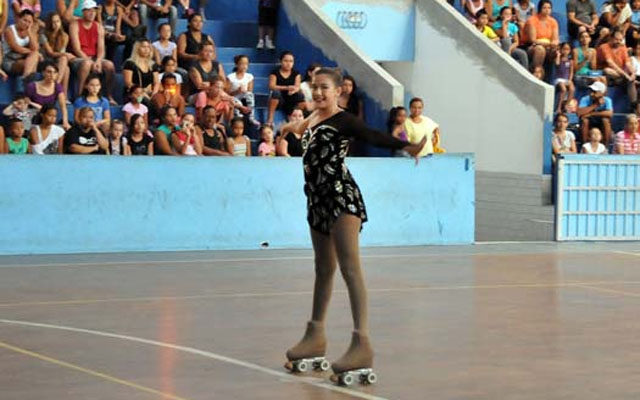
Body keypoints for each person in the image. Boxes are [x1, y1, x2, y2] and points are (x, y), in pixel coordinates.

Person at [279, 68, 426, 382]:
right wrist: (288, 128)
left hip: (341, 199)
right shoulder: (313, 118)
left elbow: (372, 136)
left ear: (338, 92)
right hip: (316, 201)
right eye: (314, 87)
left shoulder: (344, 120)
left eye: (325, 89)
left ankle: (362, 343)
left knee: (349, 268)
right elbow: (300, 127)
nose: (318, 93)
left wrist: (406, 146)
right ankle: (315, 335)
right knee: (323, 269)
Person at [69, 0, 117, 104]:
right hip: (78, 58)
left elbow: (101, 48)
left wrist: (98, 61)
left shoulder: (98, 26)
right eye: (89, 11)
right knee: (87, 63)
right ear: (83, 12)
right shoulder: (75, 24)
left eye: (94, 11)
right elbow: (77, 49)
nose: (92, 13)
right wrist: (90, 61)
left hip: (94, 57)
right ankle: (80, 95)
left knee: (109, 65)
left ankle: (108, 95)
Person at [597, 27, 638, 113]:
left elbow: (627, 63)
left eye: (620, 40)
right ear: (611, 38)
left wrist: (632, 73)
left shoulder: (622, 48)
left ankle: (633, 106)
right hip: (607, 74)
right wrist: (625, 75)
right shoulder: (604, 47)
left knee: (631, 80)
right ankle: (627, 79)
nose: (618, 42)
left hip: (620, 75)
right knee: (608, 70)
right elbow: (610, 63)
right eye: (616, 39)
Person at [25, 61, 71, 130]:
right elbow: (25, 102)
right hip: (33, 114)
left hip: (49, 117)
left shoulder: (57, 87)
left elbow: (63, 107)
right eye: (49, 72)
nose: (52, 75)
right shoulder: (32, 86)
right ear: (43, 73)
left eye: (54, 72)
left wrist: (65, 121)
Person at [40, 12, 73, 96]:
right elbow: (50, 53)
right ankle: (57, 88)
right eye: (53, 22)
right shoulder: (43, 34)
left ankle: (62, 95)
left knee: (66, 68)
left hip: (56, 60)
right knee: (64, 59)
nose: (56, 24)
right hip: (45, 60)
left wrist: (65, 54)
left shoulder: (65, 36)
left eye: (58, 21)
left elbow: (61, 53)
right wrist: (66, 54)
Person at [267, 51, 304, 125]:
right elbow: (271, 86)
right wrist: (287, 88)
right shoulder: (275, 72)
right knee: (276, 93)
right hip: (279, 99)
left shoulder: (296, 73)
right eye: (286, 61)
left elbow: (298, 86)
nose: (288, 63)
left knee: (300, 95)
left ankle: (298, 117)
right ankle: (270, 119)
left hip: (291, 98)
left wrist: (293, 90)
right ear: (281, 61)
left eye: (291, 61)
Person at [522, 0, 560, 72]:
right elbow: (532, 40)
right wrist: (549, 44)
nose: (547, 10)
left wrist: (554, 44)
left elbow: (555, 39)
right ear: (540, 9)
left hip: (548, 46)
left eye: (549, 8)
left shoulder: (553, 21)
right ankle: (535, 72)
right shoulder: (532, 20)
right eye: (544, 8)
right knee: (540, 49)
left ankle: (554, 78)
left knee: (556, 52)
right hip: (531, 46)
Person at [2, 9, 39, 81]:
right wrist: (31, 52)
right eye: (25, 20)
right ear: (19, 19)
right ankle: (28, 84)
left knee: (34, 58)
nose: (26, 24)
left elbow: (35, 48)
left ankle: (25, 79)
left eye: (29, 22)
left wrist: (29, 32)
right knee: (34, 60)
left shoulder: (30, 31)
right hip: (9, 59)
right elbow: (16, 48)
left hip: (22, 58)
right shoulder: (9, 30)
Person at [123, 38, 160, 105]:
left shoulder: (153, 65)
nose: (146, 49)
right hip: (135, 94)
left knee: (159, 101)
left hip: (149, 93)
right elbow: (128, 83)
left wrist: (154, 94)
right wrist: (142, 92)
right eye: (143, 47)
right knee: (147, 103)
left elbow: (156, 82)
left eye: (148, 47)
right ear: (137, 48)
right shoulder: (130, 63)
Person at [227, 54, 259, 124]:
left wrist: (245, 91)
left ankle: (251, 116)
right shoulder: (231, 77)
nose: (244, 66)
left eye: (246, 64)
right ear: (236, 64)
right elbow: (227, 93)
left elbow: (250, 90)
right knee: (235, 100)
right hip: (234, 96)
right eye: (242, 64)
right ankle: (237, 115)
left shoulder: (249, 76)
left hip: (244, 96)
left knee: (250, 95)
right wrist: (237, 91)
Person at [554, 42, 575, 113]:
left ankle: (566, 105)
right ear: (561, 49)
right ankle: (559, 107)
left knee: (572, 88)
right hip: (558, 79)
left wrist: (570, 80)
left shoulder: (570, 61)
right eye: (564, 49)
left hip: (566, 79)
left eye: (567, 49)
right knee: (563, 89)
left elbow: (571, 72)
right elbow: (556, 64)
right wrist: (558, 55)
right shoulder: (559, 59)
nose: (565, 51)